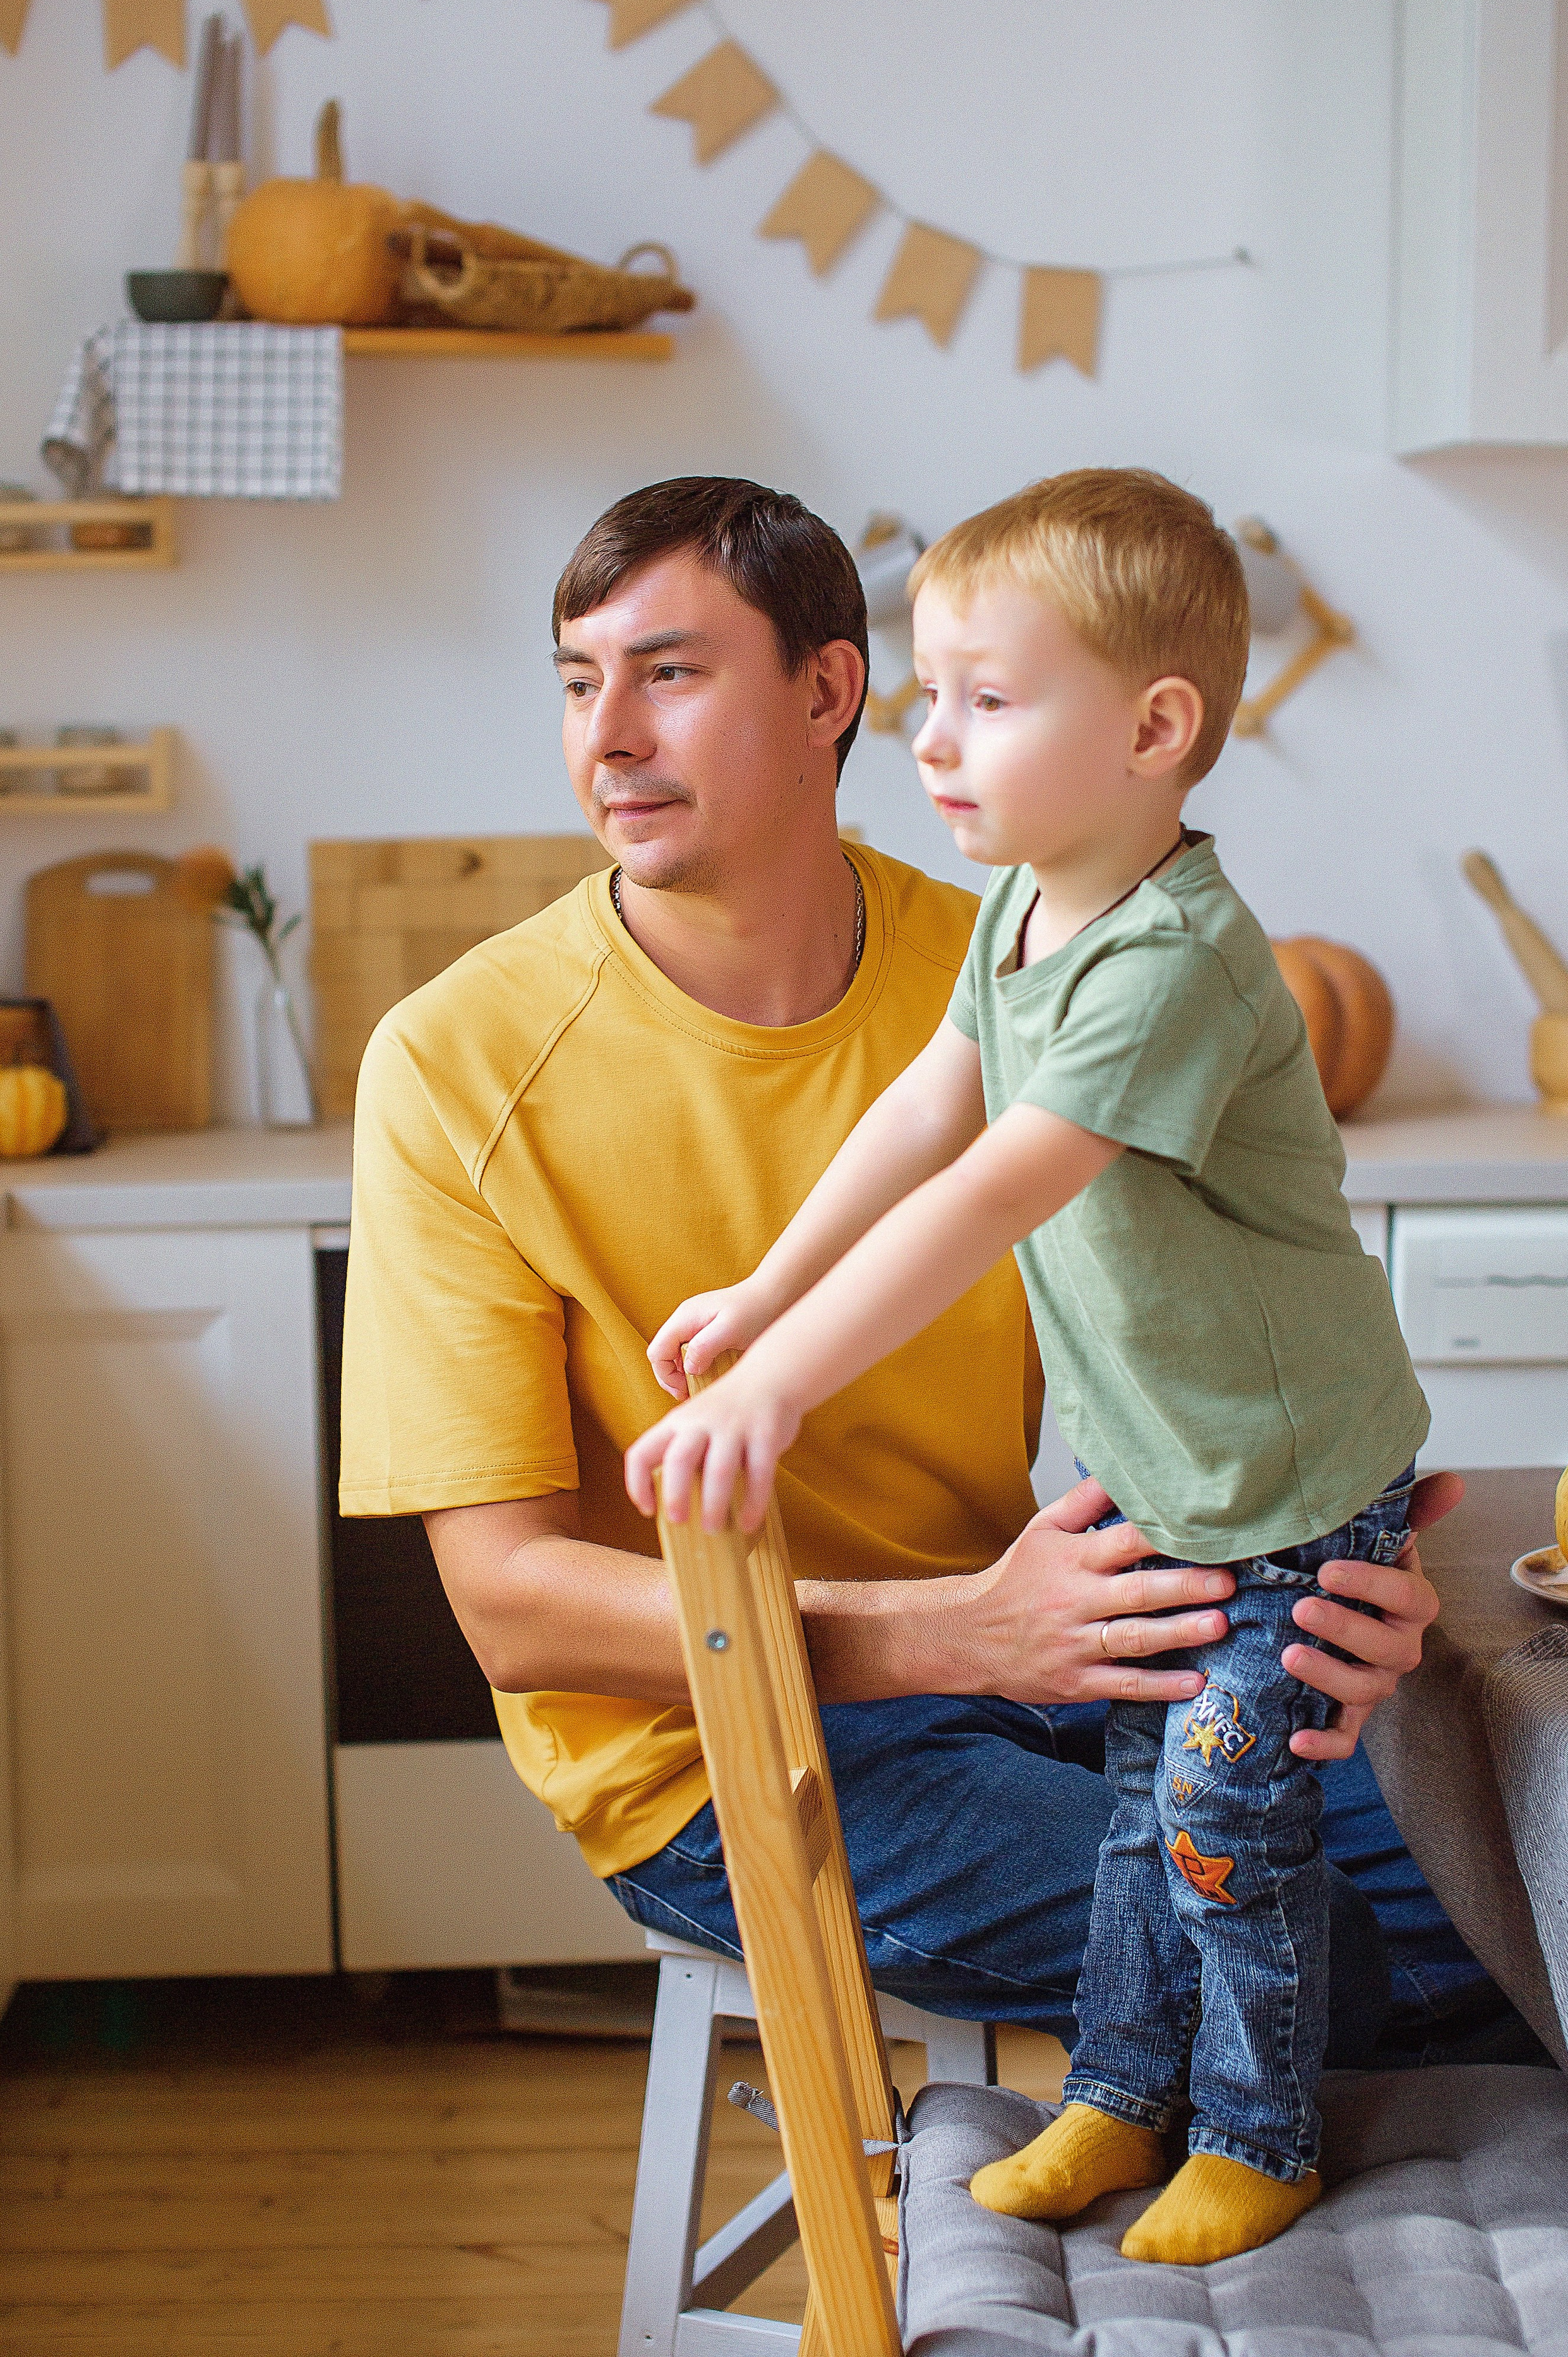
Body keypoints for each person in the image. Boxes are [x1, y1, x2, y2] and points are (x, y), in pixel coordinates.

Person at [340, 473, 1470, 2131]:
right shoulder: (456, 1061)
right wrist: (952, 1630)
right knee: (1339, 1968)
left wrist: (1317, 1578)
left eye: (668, 672)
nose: (607, 738)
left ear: (829, 691)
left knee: (1499, 1898)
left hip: (1042, 1648)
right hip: (719, 1750)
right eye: (579, 683)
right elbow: (510, 1607)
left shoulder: (1031, 951)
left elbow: (1235, 1314)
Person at [625, 470, 1434, 2268]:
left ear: (1157, 730)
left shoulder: (1176, 969)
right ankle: (1123, 2089)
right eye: (929, 695)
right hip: (1174, 1473)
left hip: (1290, 1485)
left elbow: (999, 1188)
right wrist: (767, 1291)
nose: (934, 739)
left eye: (989, 700)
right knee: (1149, 1810)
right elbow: (933, 1110)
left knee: (1226, 1807)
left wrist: (782, 1388)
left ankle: (1261, 2126)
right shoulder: (1026, 914)